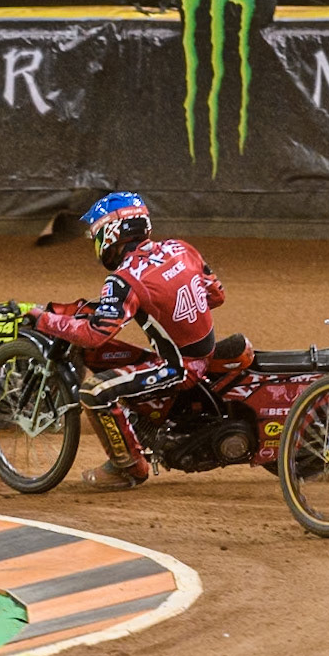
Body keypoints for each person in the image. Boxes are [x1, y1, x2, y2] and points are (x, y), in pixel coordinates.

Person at [25, 192, 225, 491]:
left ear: (112, 232)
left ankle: (128, 468)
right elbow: (217, 296)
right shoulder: (181, 248)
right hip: (199, 352)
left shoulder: (124, 279)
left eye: (97, 235)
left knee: (95, 391)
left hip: (179, 367)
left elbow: (93, 335)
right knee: (109, 361)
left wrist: (42, 319)